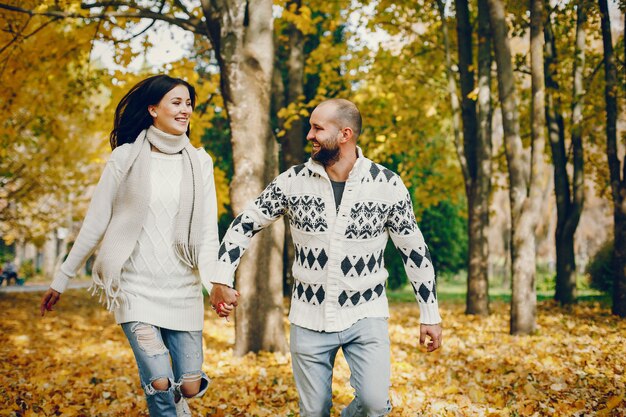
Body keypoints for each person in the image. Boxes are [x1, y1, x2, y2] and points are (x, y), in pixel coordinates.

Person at [210, 98, 443, 416]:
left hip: (366, 314)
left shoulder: (387, 185)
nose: (309, 135)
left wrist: (429, 314)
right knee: (314, 411)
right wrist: (221, 277)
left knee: (376, 404)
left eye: (318, 128)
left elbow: (414, 250)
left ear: (345, 134)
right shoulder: (292, 182)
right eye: (310, 127)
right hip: (308, 318)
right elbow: (245, 224)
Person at [39, 74, 234, 417]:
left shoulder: (200, 162)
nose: (185, 109)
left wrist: (214, 284)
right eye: (176, 102)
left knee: (188, 383)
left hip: (182, 290)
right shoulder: (124, 159)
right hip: (135, 289)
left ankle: (179, 401)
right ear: (153, 108)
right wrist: (62, 277)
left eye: (189, 103)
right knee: (159, 380)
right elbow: (96, 222)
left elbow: (206, 233)